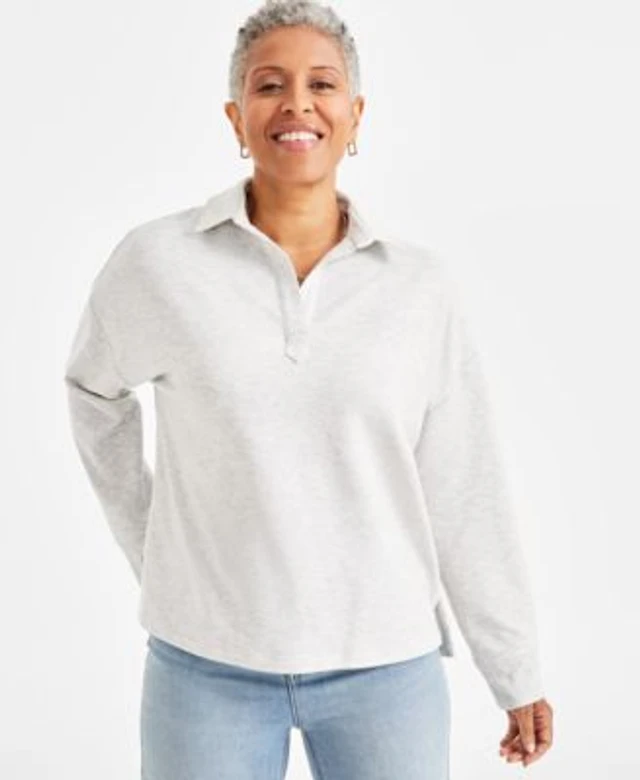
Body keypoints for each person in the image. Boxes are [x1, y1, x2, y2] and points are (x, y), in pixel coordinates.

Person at [63, 1, 554, 777]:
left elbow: (463, 484)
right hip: (205, 664)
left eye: (321, 85)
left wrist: (514, 668)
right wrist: (155, 547)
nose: (297, 103)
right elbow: (94, 391)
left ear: (355, 116)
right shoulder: (160, 264)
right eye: (270, 86)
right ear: (236, 117)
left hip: (385, 666)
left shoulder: (418, 288)